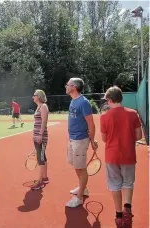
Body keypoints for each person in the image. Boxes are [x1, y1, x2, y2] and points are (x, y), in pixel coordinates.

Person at [100, 86, 142, 228]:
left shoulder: (104, 117)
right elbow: (138, 136)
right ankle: (127, 209)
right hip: (129, 155)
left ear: (110, 100)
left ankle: (118, 216)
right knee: (128, 184)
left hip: (112, 156)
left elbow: (104, 139)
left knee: (115, 185)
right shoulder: (133, 114)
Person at [65, 78, 97, 208]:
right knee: (75, 164)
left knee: (80, 167)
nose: (66, 86)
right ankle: (83, 188)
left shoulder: (83, 103)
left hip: (80, 139)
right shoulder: (73, 100)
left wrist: (93, 140)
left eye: (68, 84)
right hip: (72, 138)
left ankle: (79, 198)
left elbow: (91, 123)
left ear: (74, 87)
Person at [30, 90, 50, 190]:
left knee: (40, 158)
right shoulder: (38, 107)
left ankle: (40, 181)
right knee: (42, 156)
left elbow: (44, 122)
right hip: (37, 135)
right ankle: (45, 177)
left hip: (41, 136)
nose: (33, 97)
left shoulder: (43, 106)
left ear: (39, 96)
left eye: (34, 95)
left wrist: (40, 135)